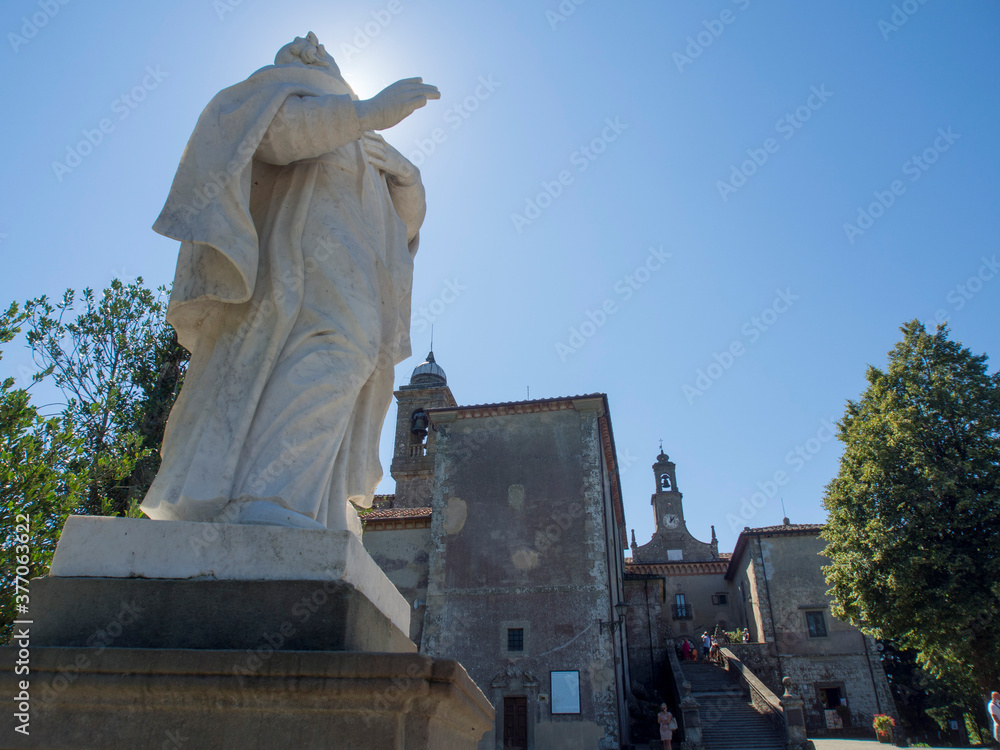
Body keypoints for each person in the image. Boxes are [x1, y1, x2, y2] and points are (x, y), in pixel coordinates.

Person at [140, 33, 440, 534]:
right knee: (335, 347)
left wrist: (410, 182)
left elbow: (401, 227)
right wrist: (368, 111)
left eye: (318, 51)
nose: (312, 49)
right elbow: (276, 136)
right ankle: (267, 493)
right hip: (302, 261)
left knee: (357, 358)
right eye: (304, 52)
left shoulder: (363, 139)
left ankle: (307, 496)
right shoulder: (286, 97)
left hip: (355, 268)